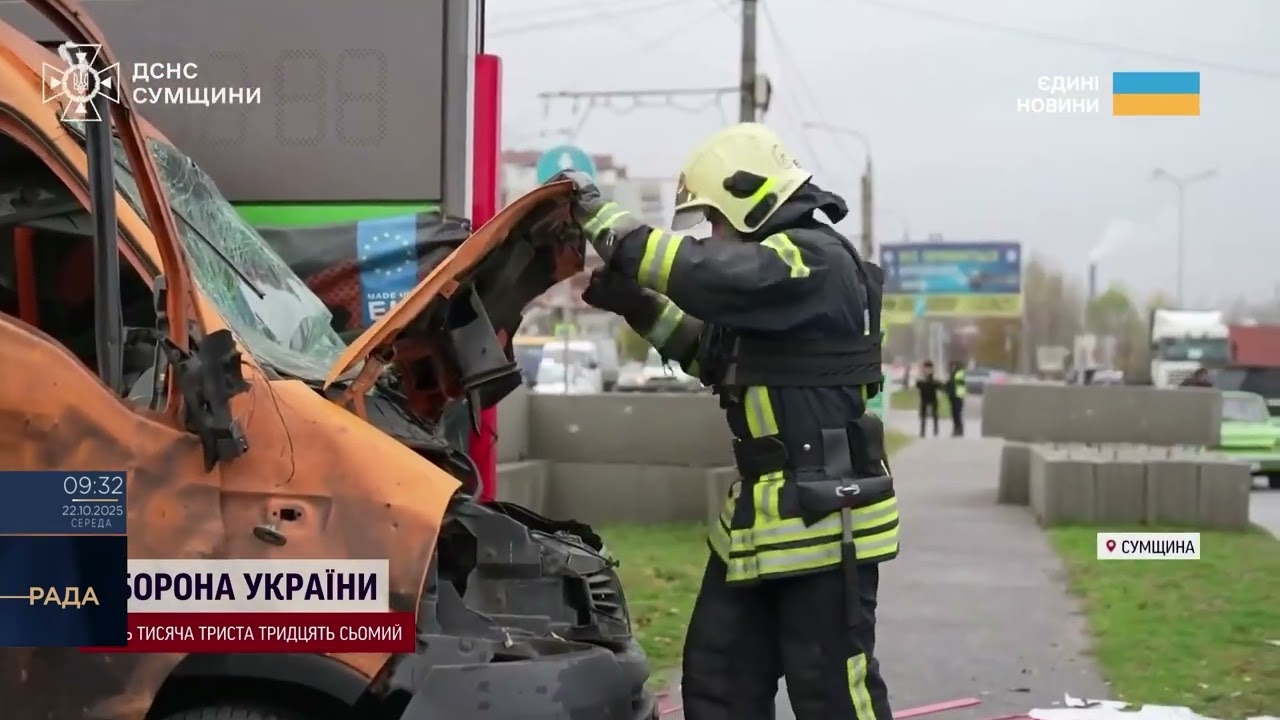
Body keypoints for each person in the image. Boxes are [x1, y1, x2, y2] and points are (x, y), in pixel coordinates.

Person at [545, 122, 898, 720]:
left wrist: (600, 218)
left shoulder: (810, 260)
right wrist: (636, 304)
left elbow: (703, 273)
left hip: (822, 522)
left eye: (714, 218)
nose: (711, 233)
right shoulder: (773, 287)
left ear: (749, 196)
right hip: (762, 526)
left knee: (834, 694)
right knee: (717, 685)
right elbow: (712, 356)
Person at [915, 360, 941, 437]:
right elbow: (918, 385)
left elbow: (938, 385)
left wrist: (930, 382)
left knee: (935, 414)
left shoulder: (933, 377)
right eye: (926, 368)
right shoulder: (922, 377)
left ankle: (935, 430)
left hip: (933, 398)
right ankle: (922, 431)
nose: (927, 370)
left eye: (929, 368)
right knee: (923, 415)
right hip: (924, 398)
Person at [945, 361, 966, 436]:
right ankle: (956, 428)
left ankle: (959, 429)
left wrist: (960, 397)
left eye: (953, 367)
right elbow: (949, 385)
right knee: (954, 414)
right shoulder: (952, 375)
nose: (952, 368)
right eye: (951, 367)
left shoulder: (959, 375)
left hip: (957, 398)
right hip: (952, 398)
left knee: (957, 414)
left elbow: (960, 387)